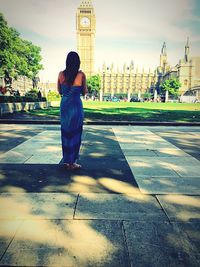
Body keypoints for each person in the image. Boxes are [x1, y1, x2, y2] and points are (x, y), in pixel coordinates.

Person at [57, 51, 87, 170]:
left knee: (65, 132)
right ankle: (72, 162)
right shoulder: (81, 75)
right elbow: (84, 92)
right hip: (75, 105)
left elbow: (60, 91)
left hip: (64, 106)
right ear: (78, 62)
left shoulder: (60, 74)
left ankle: (67, 161)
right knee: (76, 133)